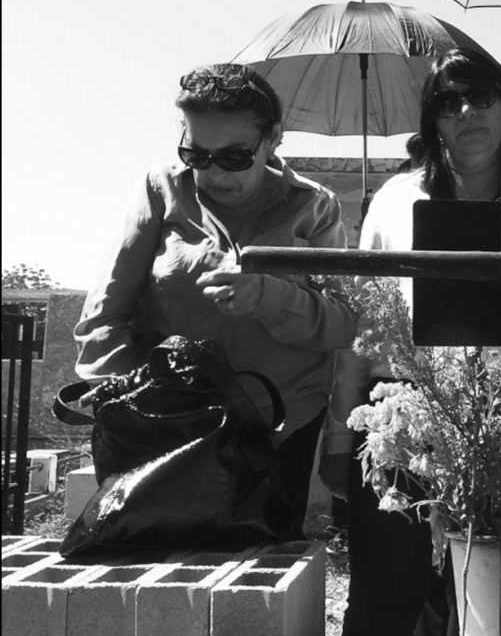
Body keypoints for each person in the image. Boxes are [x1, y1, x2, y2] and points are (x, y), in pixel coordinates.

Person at [331, 45, 501, 636]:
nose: (467, 112)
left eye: (482, 96)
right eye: (448, 101)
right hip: (401, 418)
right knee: (387, 597)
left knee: (489, 609)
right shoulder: (396, 200)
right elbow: (366, 325)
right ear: (432, 119)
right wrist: (339, 437)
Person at [74, 63, 357, 536]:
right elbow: (106, 311)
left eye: (234, 157)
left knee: (261, 581)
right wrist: (124, 402)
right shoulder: (161, 189)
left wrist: (268, 296)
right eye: (196, 153)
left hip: (278, 426)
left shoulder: (314, 206)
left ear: (273, 140)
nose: (212, 173)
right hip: (167, 427)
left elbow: (341, 324)